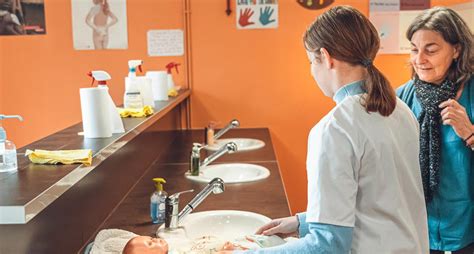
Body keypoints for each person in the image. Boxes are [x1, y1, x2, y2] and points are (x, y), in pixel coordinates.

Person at [222, 5, 429, 254]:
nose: (312, 71)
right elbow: (378, 201)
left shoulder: (335, 129)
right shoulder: (399, 110)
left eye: (311, 61)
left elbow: (328, 245)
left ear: (326, 57)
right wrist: (303, 222)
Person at [397, 6, 474, 254]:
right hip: (417, 230)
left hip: (468, 231)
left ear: (457, 50)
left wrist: (470, 133)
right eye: (414, 49)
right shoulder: (401, 98)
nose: (420, 59)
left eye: (431, 50)